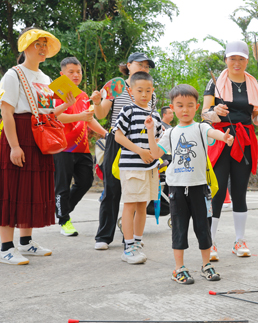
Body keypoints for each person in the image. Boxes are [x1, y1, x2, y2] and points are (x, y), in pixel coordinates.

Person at [146, 84, 234, 283]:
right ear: (172, 108)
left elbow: (215, 135)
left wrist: (225, 137)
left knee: (203, 227)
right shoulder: (170, 133)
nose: (185, 110)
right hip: (176, 189)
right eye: (180, 105)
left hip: (200, 188)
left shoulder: (202, 127)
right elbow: (155, 153)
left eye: (189, 105)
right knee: (179, 227)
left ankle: (206, 264)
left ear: (197, 107)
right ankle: (179, 268)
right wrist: (151, 131)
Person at [0, 27, 71, 265]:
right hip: (19, 133)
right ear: (25, 47)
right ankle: (5, 247)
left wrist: (66, 106)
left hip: (39, 135)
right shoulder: (13, 75)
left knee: (32, 188)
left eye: (44, 44)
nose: (42, 48)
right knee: (12, 188)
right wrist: (14, 147)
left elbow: (47, 113)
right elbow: (7, 112)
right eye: (37, 43)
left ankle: (26, 242)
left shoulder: (45, 78)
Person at [201, 40, 258, 261]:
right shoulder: (214, 83)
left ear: (247, 60)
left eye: (241, 58)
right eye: (233, 58)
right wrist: (215, 111)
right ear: (226, 60)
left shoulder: (253, 83)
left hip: (244, 139)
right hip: (221, 139)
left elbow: (254, 118)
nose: (237, 63)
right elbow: (204, 113)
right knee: (218, 191)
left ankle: (239, 240)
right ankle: (209, 243)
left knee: (240, 191)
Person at [93, 52, 156, 250]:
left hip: (140, 142)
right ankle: (104, 236)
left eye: (147, 66)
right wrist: (96, 102)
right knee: (112, 188)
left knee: (137, 193)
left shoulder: (150, 92)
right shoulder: (116, 85)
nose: (143, 68)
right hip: (117, 139)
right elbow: (102, 114)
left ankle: (130, 238)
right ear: (128, 65)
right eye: (140, 64)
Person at [54, 57, 108, 236]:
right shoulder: (56, 93)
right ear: (62, 74)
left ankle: (62, 210)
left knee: (85, 182)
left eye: (78, 72)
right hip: (62, 147)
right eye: (71, 72)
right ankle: (64, 221)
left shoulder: (84, 96)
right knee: (62, 185)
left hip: (82, 147)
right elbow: (56, 117)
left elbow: (89, 118)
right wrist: (81, 117)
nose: (76, 75)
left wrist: (105, 133)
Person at [112, 71, 162, 264]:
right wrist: (141, 151)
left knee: (143, 205)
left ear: (152, 91)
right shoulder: (128, 111)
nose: (144, 94)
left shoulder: (155, 115)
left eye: (148, 90)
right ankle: (128, 246)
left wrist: (153, 153)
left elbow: (157, 140)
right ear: (130, 90)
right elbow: (118, 136)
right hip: (132, 166)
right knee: (130, 204)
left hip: (150, 168)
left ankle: (137, 242)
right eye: (139, 90)